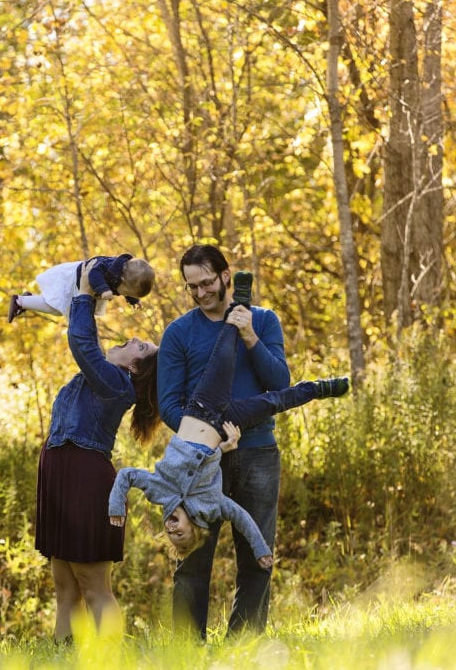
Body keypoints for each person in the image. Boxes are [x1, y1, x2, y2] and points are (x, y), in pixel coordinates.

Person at [108, 273, 348, 570]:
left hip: (200, 407)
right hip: (226, 428)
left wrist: (116, 509)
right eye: (180, 535)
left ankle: (242, 302)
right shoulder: (211, 503)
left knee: (224, 353)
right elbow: (242, 518)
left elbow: (127, 476)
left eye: (170, 534)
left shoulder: (159, 490)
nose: (172, 530)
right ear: (194, 527)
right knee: (273, 402)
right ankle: (320, 388)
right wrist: (226, 448)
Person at [157, 244, 292, 640]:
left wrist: (248, 334)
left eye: (206, 283)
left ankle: (242, 650)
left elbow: (280, 384)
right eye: (191, 287)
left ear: (225, 275)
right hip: (199, 462)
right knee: (194, 558)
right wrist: (209, 440)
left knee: (257, 557)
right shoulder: (179, 333)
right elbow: (169, 404)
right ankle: (186, 653)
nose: (200, 293)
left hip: (257, 454)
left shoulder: (264, 321)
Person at [34, 261, 162, 643]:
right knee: (63, 584)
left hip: (84, 478)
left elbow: (82, 342)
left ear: (137, 368)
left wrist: (86, 295)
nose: (134, 338)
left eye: (141, 346)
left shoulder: (116, 383)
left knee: (93, 585)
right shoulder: (103, 376)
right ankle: (61, 656)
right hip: (60, 473)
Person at [8, 254, 155, 322]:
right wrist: (104, 289)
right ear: (122, 280)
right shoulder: (108, 267)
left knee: (58, 308)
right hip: (71, 281)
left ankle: (28, 299)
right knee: (57, 307)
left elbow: (125, 289)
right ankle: (19, 301)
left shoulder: (124, 274)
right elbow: (93, 272)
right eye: (128, 293)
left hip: (83, 289)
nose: (125, 294)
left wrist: (133, 300)